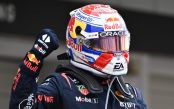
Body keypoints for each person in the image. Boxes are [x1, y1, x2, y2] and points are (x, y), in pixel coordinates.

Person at [9, 4, 147, 109]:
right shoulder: (62, 86)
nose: (116, 51)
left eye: (119, 43)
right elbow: (21, 106)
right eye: (108, 43)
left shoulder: (132, 95)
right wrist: (34, 57)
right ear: (81, 43)